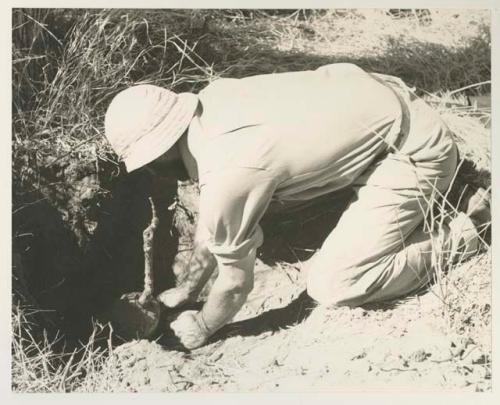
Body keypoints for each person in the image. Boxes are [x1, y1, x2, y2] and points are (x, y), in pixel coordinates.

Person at [104, 63, 490, 349]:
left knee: (334, 284)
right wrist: (188, 288)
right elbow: (216, 209)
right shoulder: (214, 99)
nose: (152, 172)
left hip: (415, 149)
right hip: (379, 104)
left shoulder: (230, 174)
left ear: (158, 153)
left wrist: (203, 325)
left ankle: (474, 226)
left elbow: (237, 285)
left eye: (147, 164)